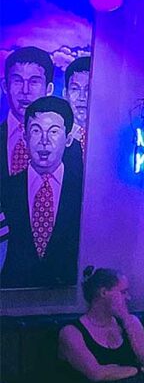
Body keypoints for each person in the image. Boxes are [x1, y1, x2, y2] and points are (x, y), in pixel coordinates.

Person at [1, 96, 83, 289]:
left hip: (66, 301)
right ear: (25, 137)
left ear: (69, 138)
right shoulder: (4, 190)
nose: (44, 141)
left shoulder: (83, 192)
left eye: (53, 132)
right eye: (36, 131)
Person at [1, 47, 54, 189]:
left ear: (49, 89)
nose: (25, 91)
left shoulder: (66, 143)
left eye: (34, 82)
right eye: (17, 81)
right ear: (5, 86)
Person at [62, 55, 91, 154]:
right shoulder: (57, 137)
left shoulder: (108, 138)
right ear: (65, 94)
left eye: (88, 89)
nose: (82, 97)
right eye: (75, 89)